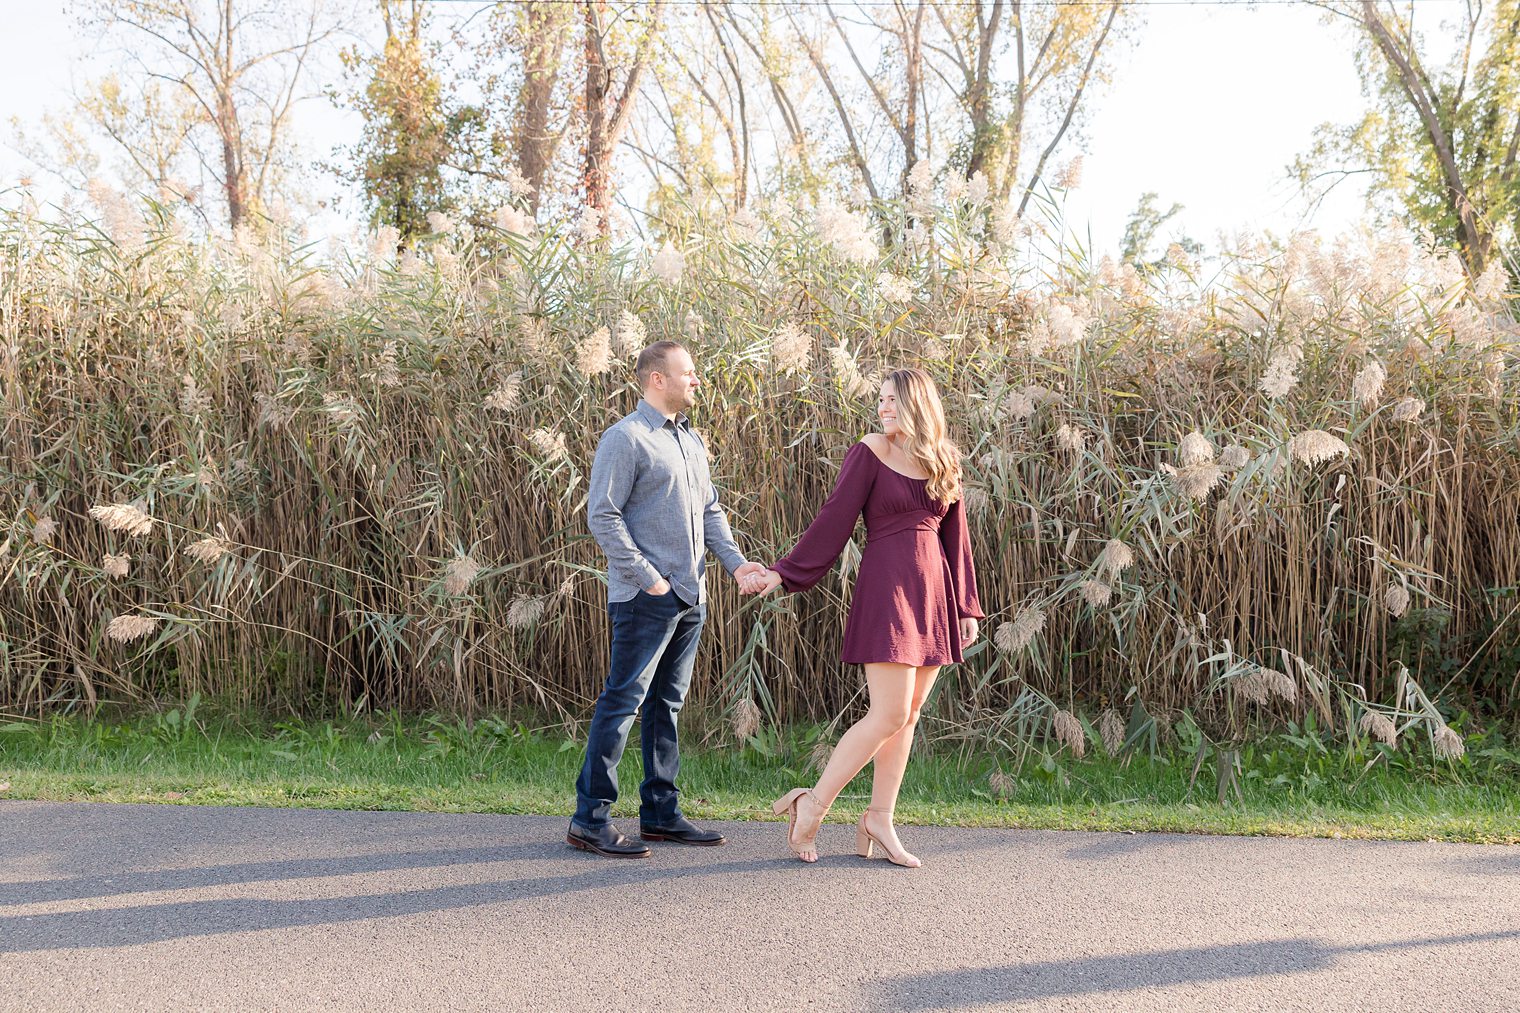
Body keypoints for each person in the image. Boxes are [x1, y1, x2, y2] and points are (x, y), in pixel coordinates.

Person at [747, 367, 983, 867]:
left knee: (911, 716)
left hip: (933, 593)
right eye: (880, 400)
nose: (883, 408)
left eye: (893, 400)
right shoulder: (871, 450)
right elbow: (834, 519)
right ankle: (812, 805)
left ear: (918, 403)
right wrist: (785, 574)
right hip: (889, 588)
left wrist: (965, 605)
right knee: (890, 713)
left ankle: (879, 818)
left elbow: (955, 540)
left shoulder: (944, 461)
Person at [569, 340, 769, 858]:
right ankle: (589, 819)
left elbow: (710, 511)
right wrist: (648, 577)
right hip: (646, 597)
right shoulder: (626, 439)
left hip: (691, 594)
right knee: (624, 702)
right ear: (657, 379)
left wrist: (736, 563)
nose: (696, 381)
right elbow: (602, 515)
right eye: (688, 373)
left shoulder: (690, 440)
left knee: (667, 706)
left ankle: (659, 813)